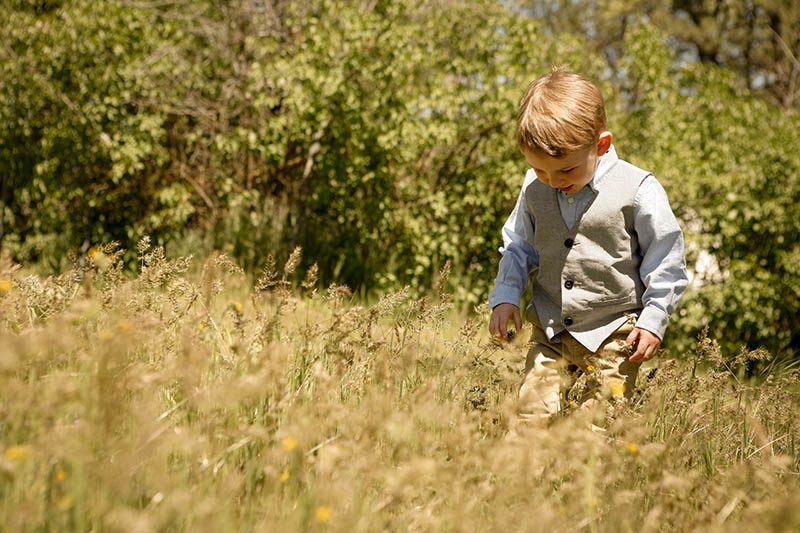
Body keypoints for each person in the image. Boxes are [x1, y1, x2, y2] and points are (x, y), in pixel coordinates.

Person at [488, 67, 688, 423]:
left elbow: (665, 257)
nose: (552, 181)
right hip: (550, 330)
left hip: (615, 333)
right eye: (540, 170)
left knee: (597, 430)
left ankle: (585, 479)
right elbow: (518, 245)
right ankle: (522, 477)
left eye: (565, 171)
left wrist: (654, 318)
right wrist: (505, 296)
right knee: (529, 418)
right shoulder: (535, 188)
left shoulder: (638, 188)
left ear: (601, 145)